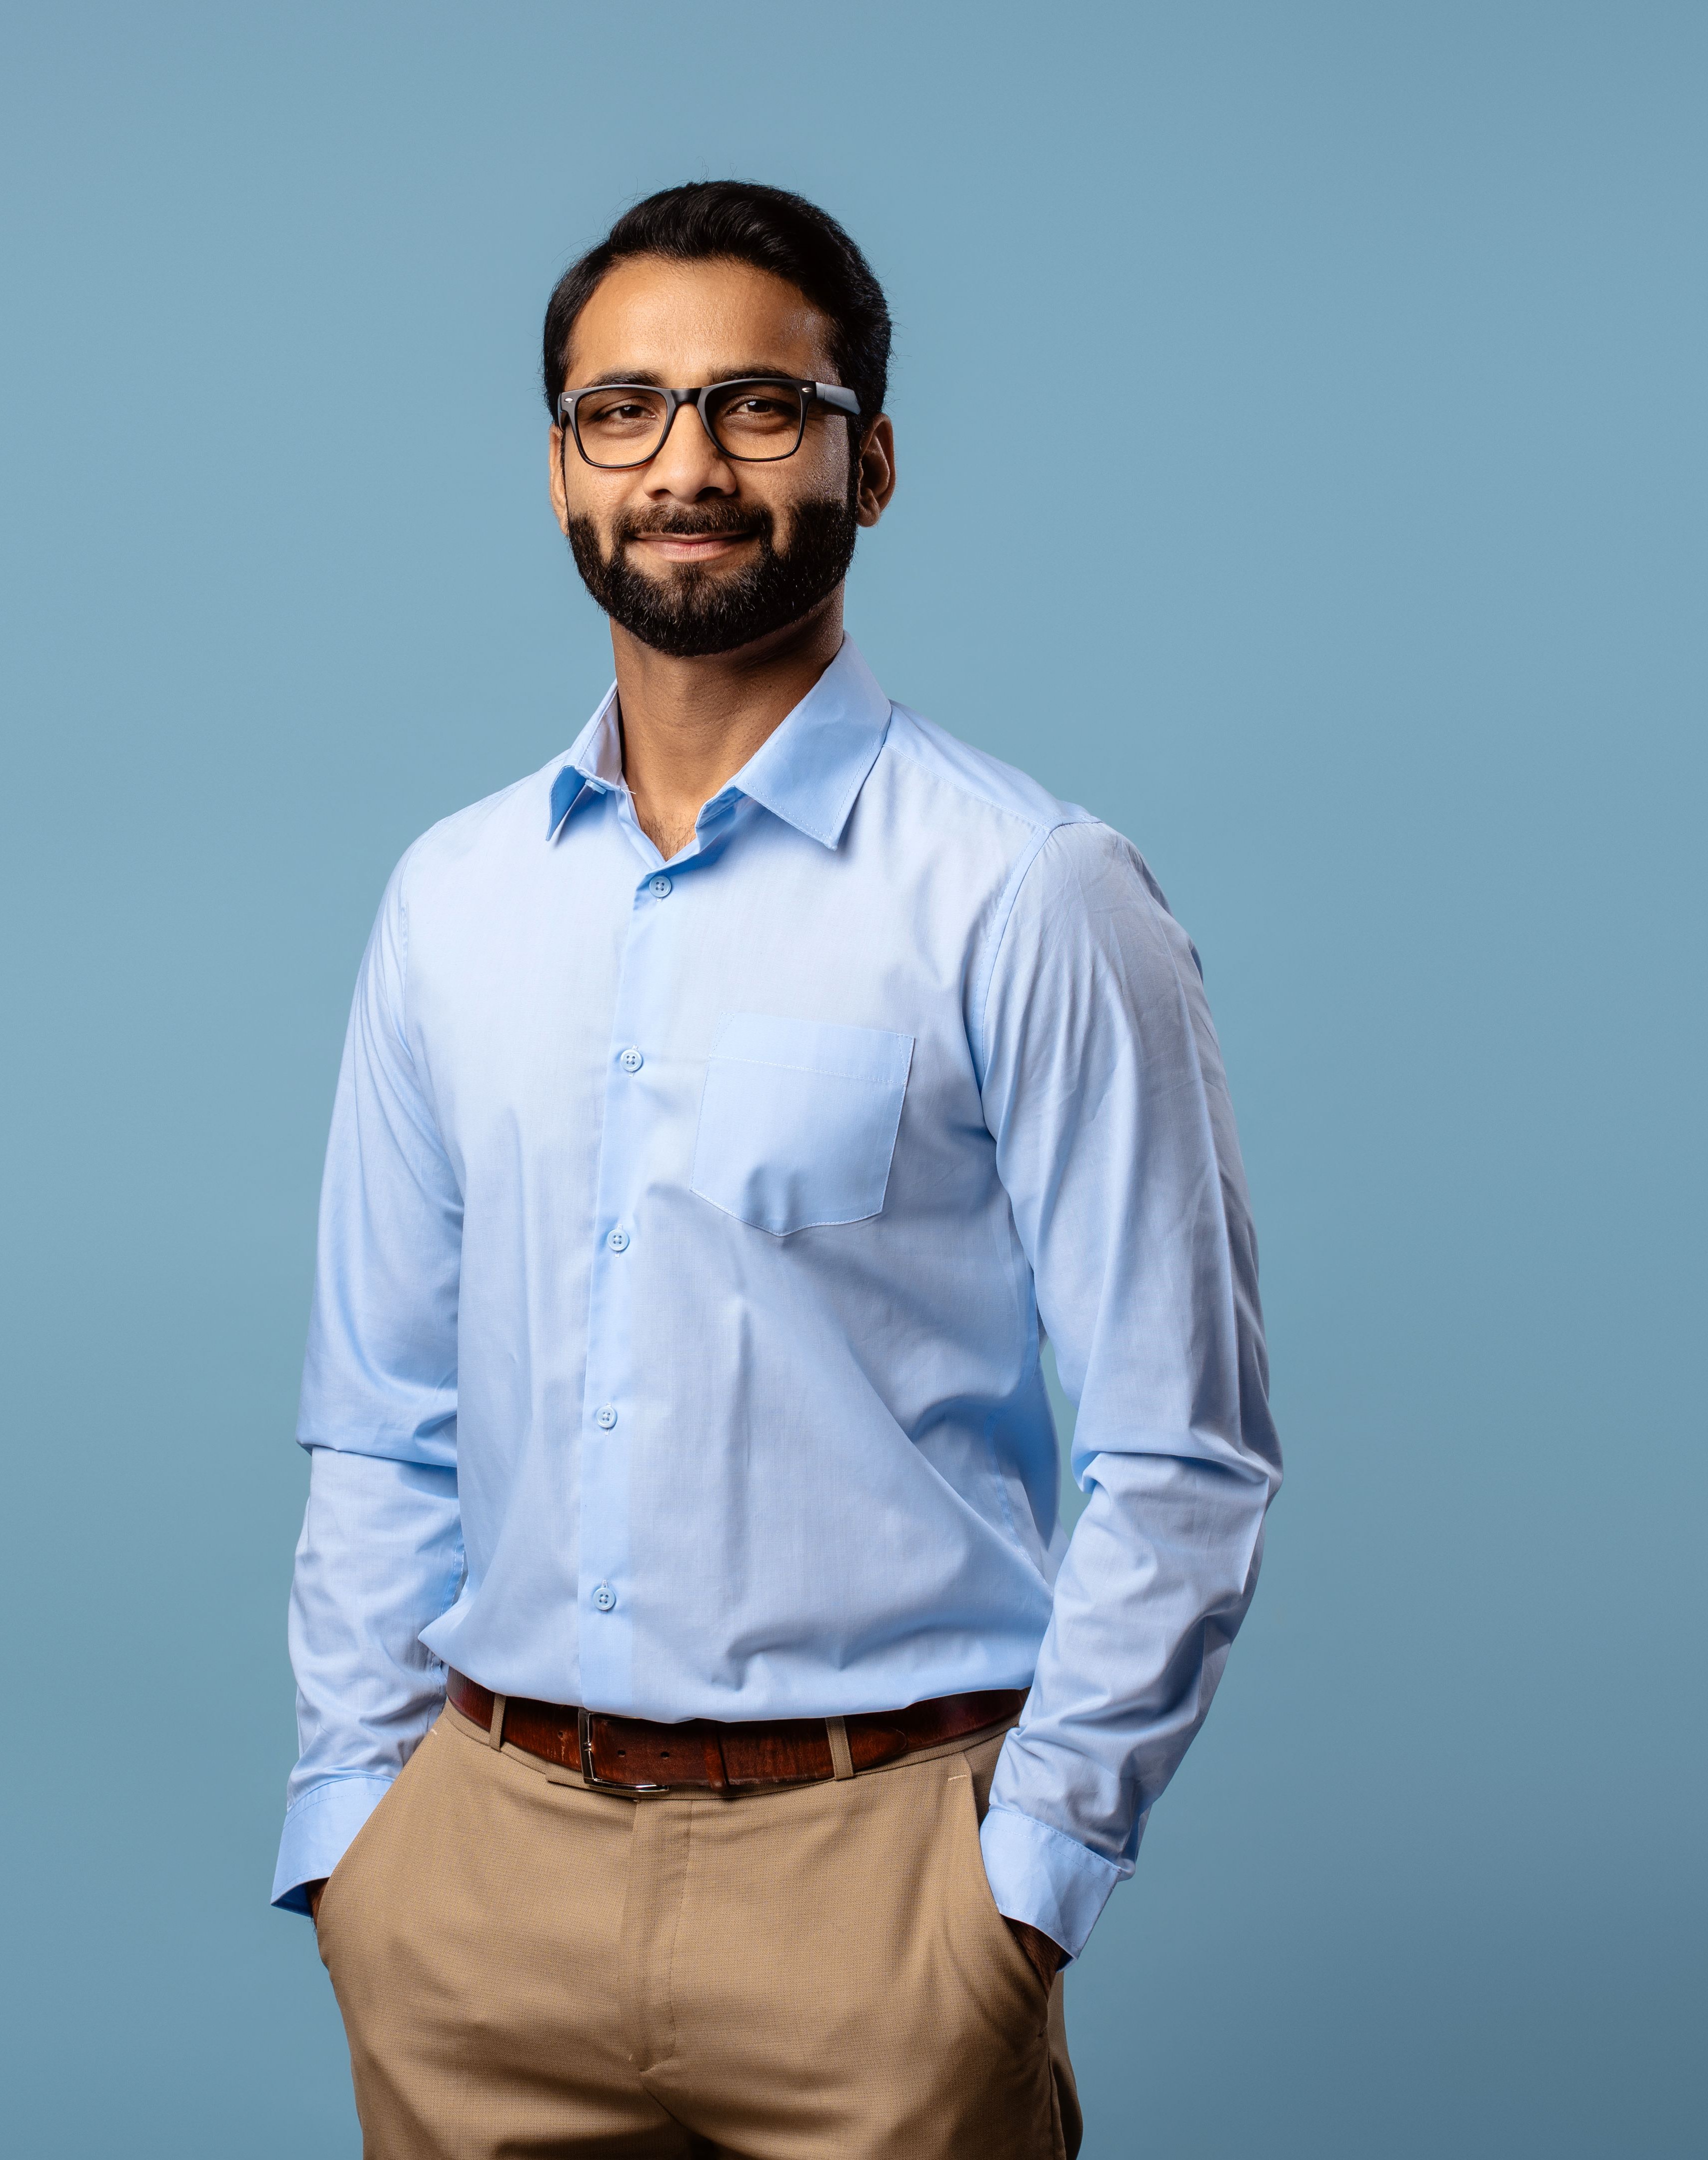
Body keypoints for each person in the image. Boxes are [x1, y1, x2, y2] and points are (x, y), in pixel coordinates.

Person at [272, 179, 1279, 2160]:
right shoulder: (452, 901)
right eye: (622, 411)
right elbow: (381, 1421)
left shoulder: (1029, 891)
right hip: (476, 1887)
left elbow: (1184, 1450)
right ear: (560, 468)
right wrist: (356, 1834)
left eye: (757, 406)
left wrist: (1021, 1889)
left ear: (868, 462)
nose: (685, 466)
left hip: (880, 1895)